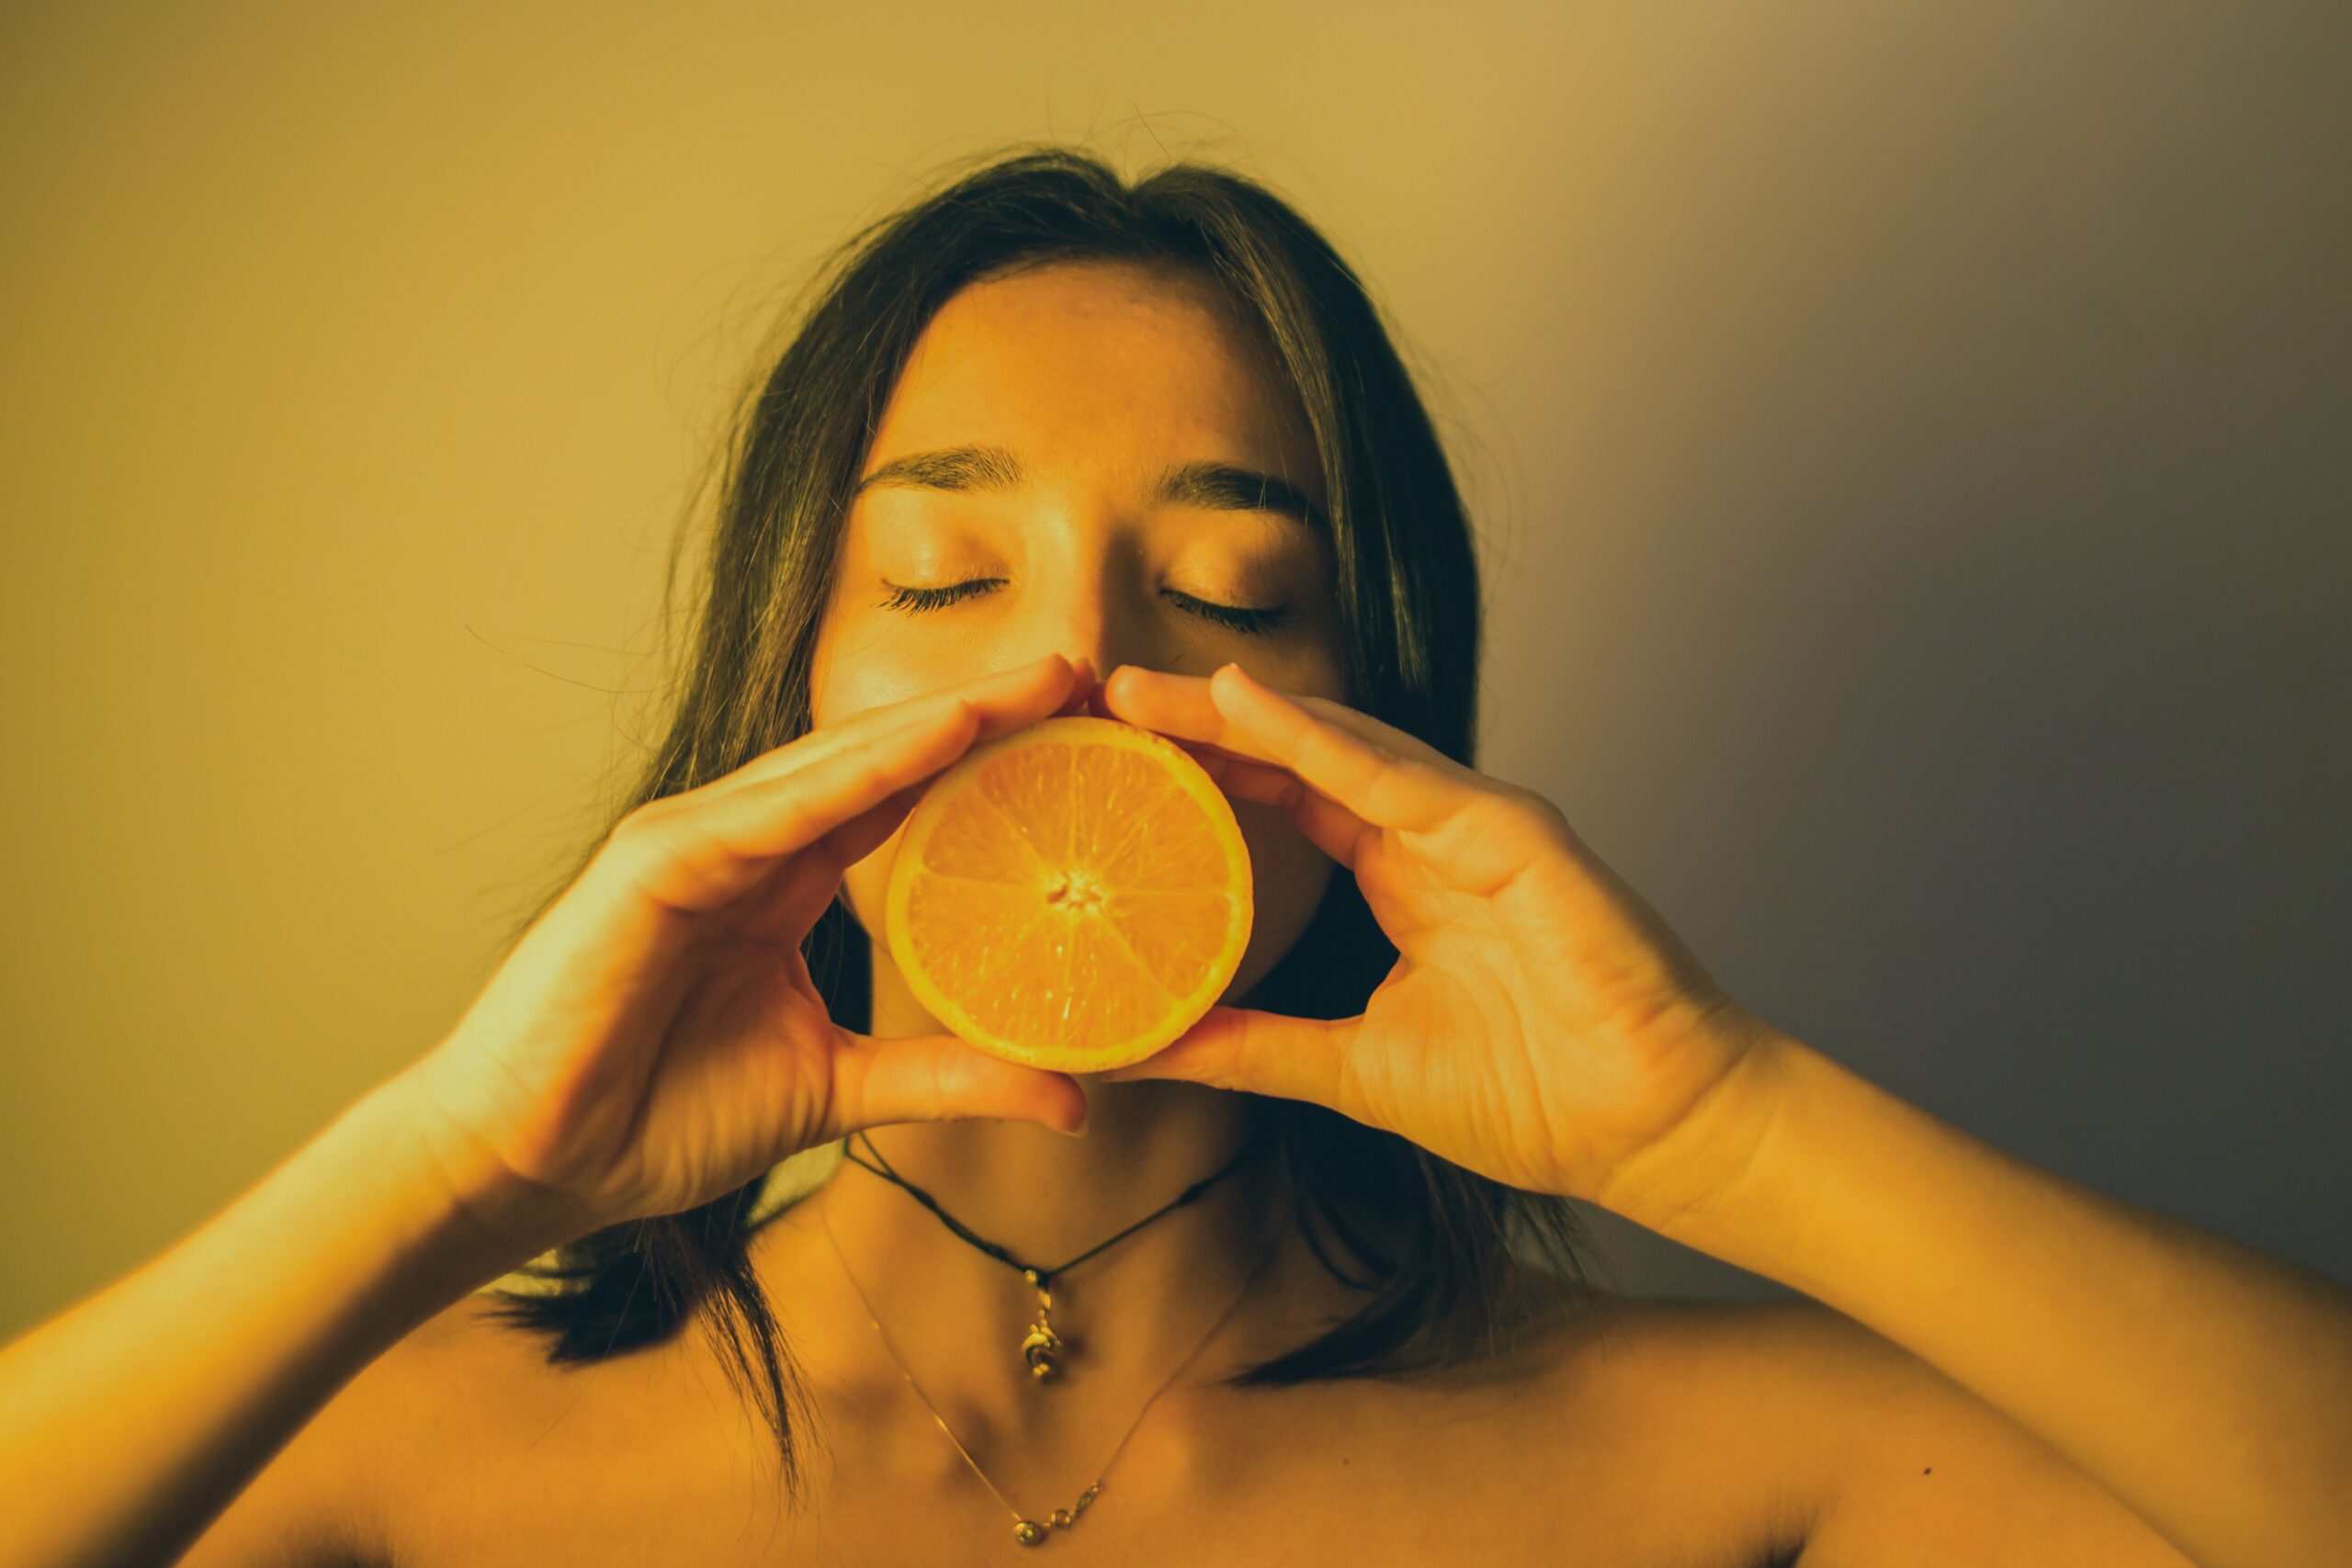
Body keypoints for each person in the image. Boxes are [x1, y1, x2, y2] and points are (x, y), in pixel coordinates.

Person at [2, 146, 2344, 1568]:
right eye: (941, 582)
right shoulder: (390, 1458)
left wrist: (1720, 1124)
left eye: (1227, 599)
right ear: (779, 696)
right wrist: (453, 1163)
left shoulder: (1710, 1462)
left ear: (1375, 736)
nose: (1074, 673)